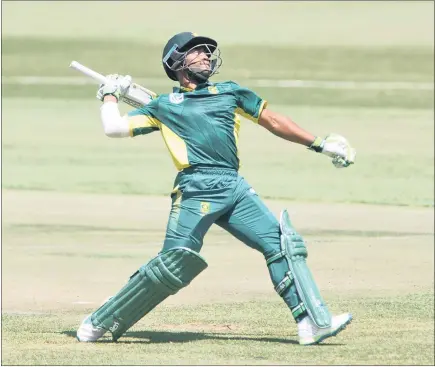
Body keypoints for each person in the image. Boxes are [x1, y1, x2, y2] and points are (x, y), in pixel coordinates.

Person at [77, 32, 356, 345]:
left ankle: (309, 322)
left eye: (208, 51)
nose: (206, 55)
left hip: (233, 186)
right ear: (175, 61)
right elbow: (113, 128)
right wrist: (110, 96)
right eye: (196, 51)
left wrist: (318, 144)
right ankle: (99, 322)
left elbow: (273, 120)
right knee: (172, 264)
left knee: (282, 245)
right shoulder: (163, 105)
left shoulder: (230, 92)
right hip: (196, 189)